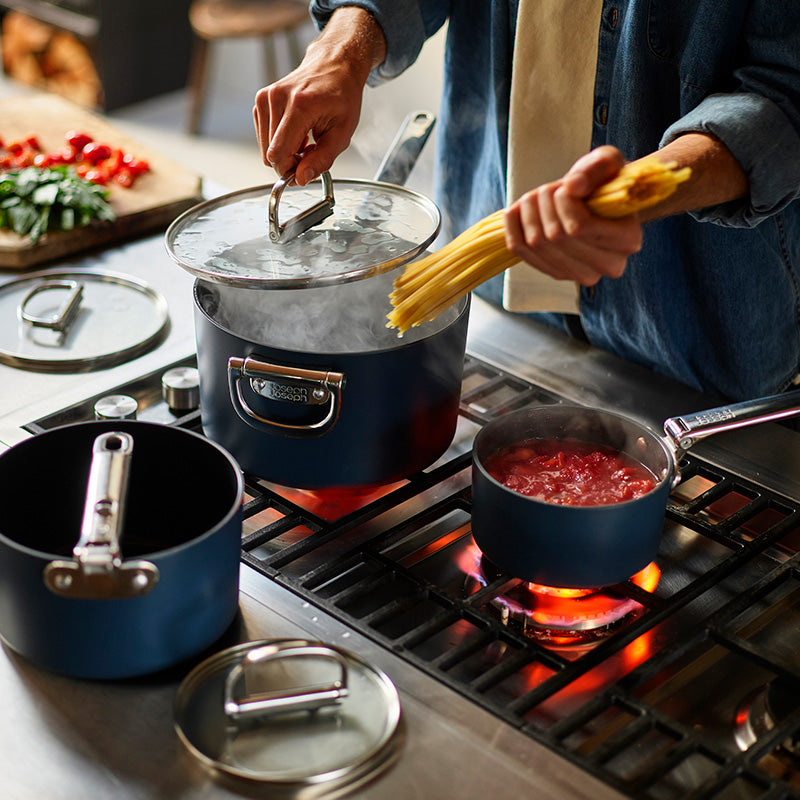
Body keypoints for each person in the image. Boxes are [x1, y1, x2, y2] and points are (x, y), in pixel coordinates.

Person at [253, 2, 800, 402]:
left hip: (700, 332)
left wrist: (631, 191)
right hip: (496, 302)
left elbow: (784, 94)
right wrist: (341, 48)